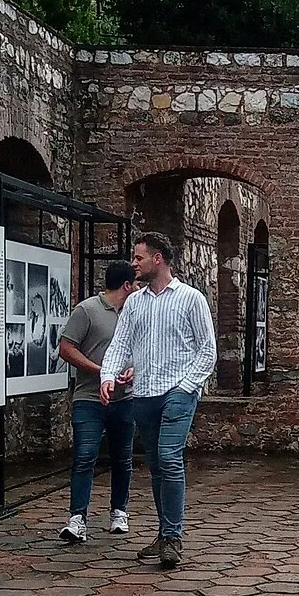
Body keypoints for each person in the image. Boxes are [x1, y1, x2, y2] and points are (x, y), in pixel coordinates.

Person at [99, 233, 217, 571]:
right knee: (155, 465)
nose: (133, 263)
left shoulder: (191, 299)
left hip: (177, 393)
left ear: (158, 259)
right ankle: (165, 534)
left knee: (168, 457)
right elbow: (121, 343)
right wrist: (109, 375)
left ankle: (174, 537)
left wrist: (187, 386)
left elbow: (207, 349)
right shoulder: (134, 303)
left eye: (139, 258)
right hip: (144, 394)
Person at [57, 259, 136, 546]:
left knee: (122, 459)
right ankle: (77, 518)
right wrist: (100, 371)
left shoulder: (133, 312)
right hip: (89, 398)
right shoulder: (87, 310)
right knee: (84, 456)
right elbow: (66, 348)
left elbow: (140, 349)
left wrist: (132, 369)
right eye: (136, 283)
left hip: (124, 399)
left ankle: (119, 511)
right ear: (126, 285)